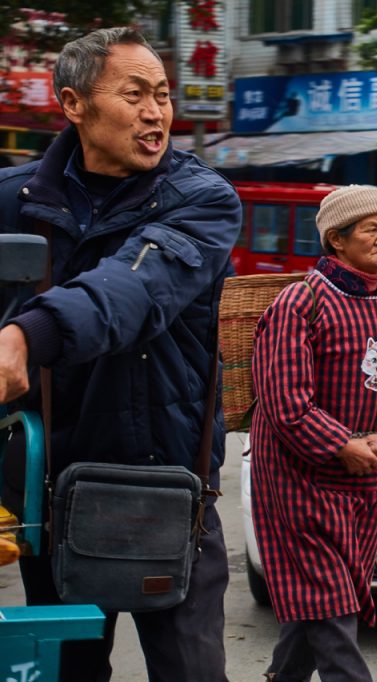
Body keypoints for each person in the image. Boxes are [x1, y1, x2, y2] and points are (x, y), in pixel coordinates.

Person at [0, 27, 240, 682]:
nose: (155, 111)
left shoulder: (202, 200)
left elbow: (131, 289)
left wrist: (26, 334)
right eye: (133, 94)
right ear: (74, 104)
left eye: (161, 94)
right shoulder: (14, 201)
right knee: (66, 673)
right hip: (57, 500)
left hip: (172, 495)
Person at [250, 185, 377, 682]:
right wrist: (341, 444)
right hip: (299, 480)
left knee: (323, 598)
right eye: (372, 229)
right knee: (331, 604)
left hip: (367, 481)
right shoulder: (300, 304)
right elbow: (284, 400)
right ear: (336, 239)